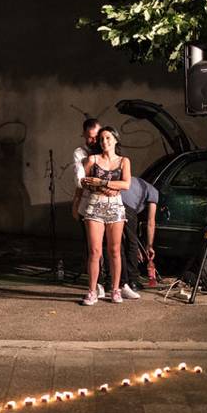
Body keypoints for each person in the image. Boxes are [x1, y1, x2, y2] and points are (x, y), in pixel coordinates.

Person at [73, 126, 131, 305]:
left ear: (115, 140)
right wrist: (77, 202)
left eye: (108, 138)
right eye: (101, 139)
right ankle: (92, 291)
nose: (104, 142)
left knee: (114, 250)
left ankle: (115, 290)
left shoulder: (124, 161)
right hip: (95, 206)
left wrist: (103, 182)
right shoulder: (92, 159)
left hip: (115, 207)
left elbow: (126, 184)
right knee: (95, 251)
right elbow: (84, 182)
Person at [72, 118, 106, 298]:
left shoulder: (108, 150)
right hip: (89, 205)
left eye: (96, 137)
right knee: (93, 248)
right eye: (89, 138)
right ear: (84, 136)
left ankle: (117, 283)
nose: (93, 141)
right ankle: (97, 284)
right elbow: (79, 180)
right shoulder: (81, 153)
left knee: (113, 247)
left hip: (110, 205)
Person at [119, 176, 159, 295]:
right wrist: (149, 245)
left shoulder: (136, 182)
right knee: (131, 244)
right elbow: (151, 222)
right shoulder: (154, 193)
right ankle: (133, 281)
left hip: (112, 200)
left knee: (118, 244)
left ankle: (118, 281)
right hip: (127, 206)